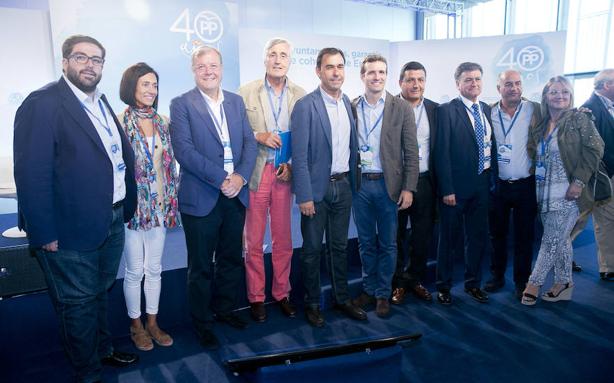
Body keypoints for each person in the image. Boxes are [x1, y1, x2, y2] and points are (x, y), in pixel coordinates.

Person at [13, 34, 138, 382]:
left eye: (96, 59)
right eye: (81, 57)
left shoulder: (100, 102)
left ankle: (102, 352)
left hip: (109, 219)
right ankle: (88, 372)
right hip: (67, 228)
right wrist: (44, 233)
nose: (89, 65)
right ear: (65, 62)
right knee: (77, 304)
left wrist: (124, 206)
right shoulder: (43, 103)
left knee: (98, 293)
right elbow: (31, 174)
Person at [170, 46, 257, 348]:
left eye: (213, 65)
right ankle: (203, 323)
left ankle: (225, 309)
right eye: (202, 66)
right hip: (202, 196)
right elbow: (184, 151)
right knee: (201, 266)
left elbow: (249, 142)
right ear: (194, 71)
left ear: (221, 68)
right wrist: (224, 179)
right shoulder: (181, 104)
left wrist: (241, 177)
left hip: (236, 194)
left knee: (231, 259)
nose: (209, 71)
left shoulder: (235, 101)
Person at [291, 47, 366, 327]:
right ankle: (311, 303)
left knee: (339, 247)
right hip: (316, 192)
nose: (336, 72)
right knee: (311, 250)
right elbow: (298, 156)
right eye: (330, 67)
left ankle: (342, 298)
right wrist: (305, 195)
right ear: (318, 71)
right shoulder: (305, 105)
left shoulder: (348, 102)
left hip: (343, 186)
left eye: (340, 67)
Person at [238, 38, 306, 322]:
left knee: (283, 238)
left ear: (290, 61)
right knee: (253, 239)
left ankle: (281, 293)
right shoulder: (245, 93)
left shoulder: (301, 95)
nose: (278, 60)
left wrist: (290, 166)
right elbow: (237, 134)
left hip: (284, 174)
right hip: (256, 172)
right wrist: (259, 136)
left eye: (283, 56)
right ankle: (256, 297)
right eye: (273, 55)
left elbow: (303, 139)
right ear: (264, 59)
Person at [521, 76, 604, 305]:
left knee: (550, 241)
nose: (560, 97)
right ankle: (564, 284)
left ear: (571, 96)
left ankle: (533, 284)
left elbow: (595, 150)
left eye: (565, 92)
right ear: (546, 96)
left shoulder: (579, 119)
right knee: (560, 239)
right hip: (543, 194)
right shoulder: (542, 123)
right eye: (555, 92)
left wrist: (578, 182)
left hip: (569, 194)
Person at [350, 55, 418, 318]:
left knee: (389, 244)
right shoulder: (352, 106)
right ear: (363, 76)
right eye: (371, 72)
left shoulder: (401, 108)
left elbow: (411, 152)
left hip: (390, 187)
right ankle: (368, 289)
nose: (376, 77)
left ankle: (382, 293)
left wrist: (409, 188)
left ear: (386, 76)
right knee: (366, 242)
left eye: (381, 72)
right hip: (360, 186)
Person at [118, 63, 179, 350]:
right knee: (134, 270)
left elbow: (170, 165)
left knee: (154, 268)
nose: (151, 90)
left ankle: (153, 323)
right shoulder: (119, 123)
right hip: (133, 209)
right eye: (145, 84)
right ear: (131, 87)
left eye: (154, 85)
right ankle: (135, 325)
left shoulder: (164, 122)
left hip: (161, 207)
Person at [434, 62, 497, 305]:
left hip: (482, 186)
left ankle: (473, 284)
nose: (474, 83)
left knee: (477, 238)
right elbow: (442, 153)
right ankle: (444, 287)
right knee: (448, 241)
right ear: (458, 84)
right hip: (455, 190)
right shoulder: (447, 110)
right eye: (468, 79)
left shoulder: (487, 110)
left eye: (478, 79)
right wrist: (447, 189)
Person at [485, 70, 542, 299]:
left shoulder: (534, 109)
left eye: (518, 83)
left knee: (524, 237)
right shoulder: (488, 112)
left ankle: (522, 280)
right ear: (499, 88)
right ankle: (497, 276)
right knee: (496, 235)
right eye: (509, 84)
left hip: (526, 185)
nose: (514, 88)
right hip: (497, 186)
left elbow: (560, 113)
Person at [392, 61, 439, 304]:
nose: (416, 84)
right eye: (410, 80)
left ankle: (415, 279)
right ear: (400, 82)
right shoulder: (390, 107)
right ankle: (398, 282)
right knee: (397, 236)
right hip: (397, 184)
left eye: (420, 80)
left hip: (426, 182)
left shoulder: (434, 109)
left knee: (422, 235)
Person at [570, 69, 614, 281]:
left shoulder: (609, 107)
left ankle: (608, 267)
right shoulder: (589, 109)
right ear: (607, 85)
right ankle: (557, 255)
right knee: (579, 220)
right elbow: (587, 147)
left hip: (608, 175)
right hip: (593, 176)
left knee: (606, 220)